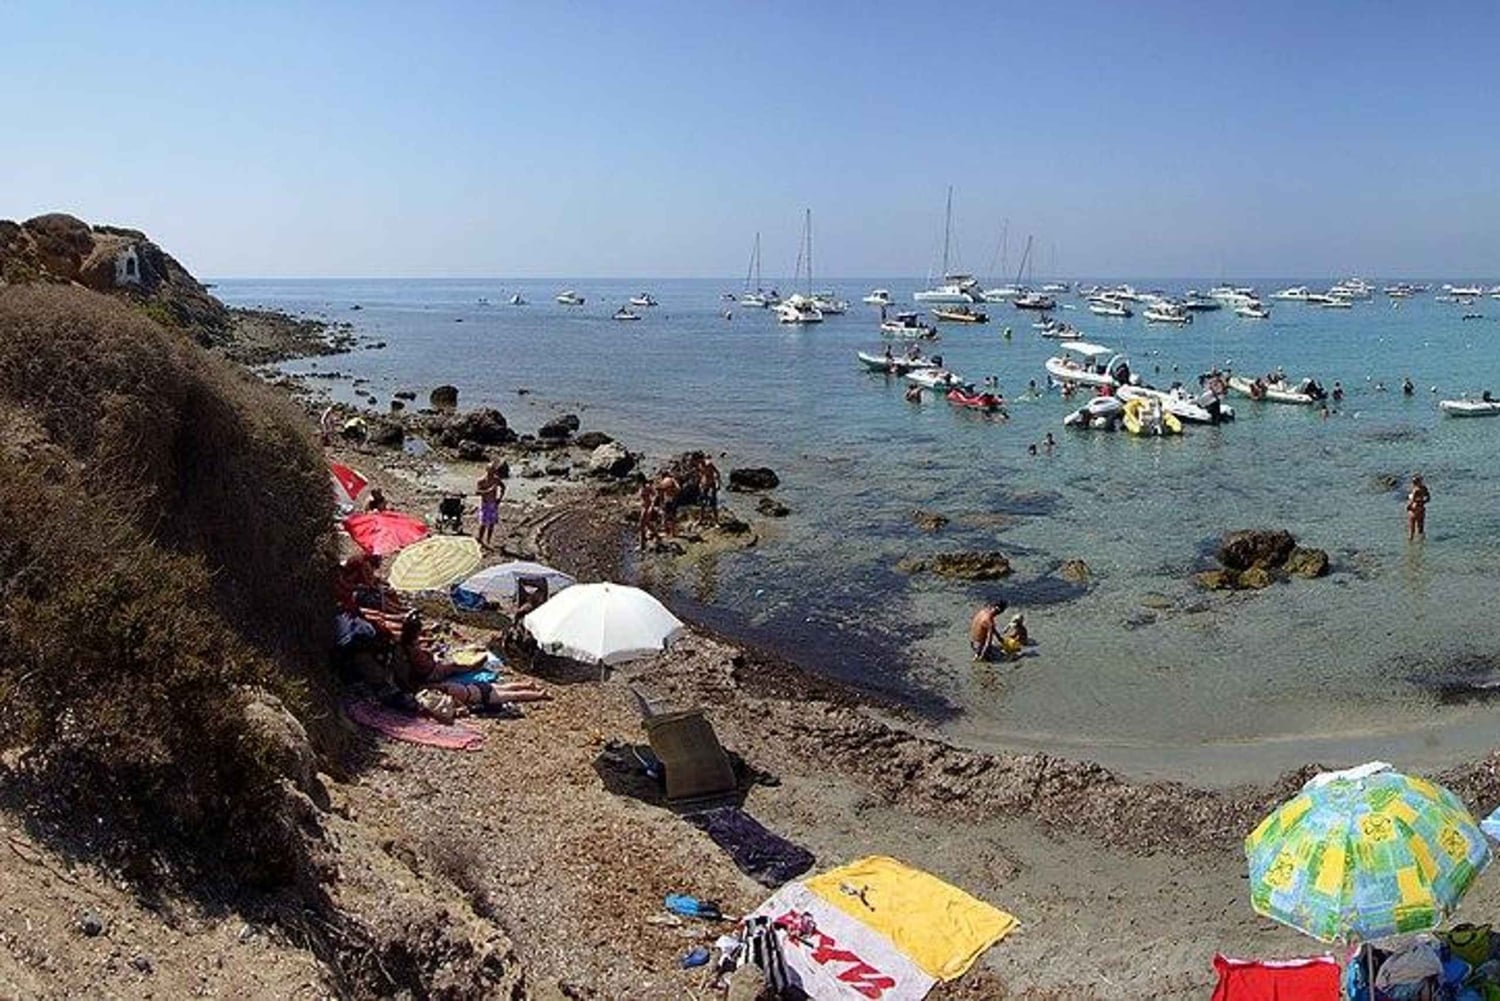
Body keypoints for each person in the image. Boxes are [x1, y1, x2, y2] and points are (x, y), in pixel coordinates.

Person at [475, 462, 506, 549]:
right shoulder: (481, 481)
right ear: (487, 470)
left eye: (494, 471)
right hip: (485, 503)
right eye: (491, 471)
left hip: (493, 504)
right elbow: (477, 492)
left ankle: (488, 540)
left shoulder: (496, 479)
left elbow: (503, 487)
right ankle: (480, 540)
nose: (492, 473)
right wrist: (488, 490)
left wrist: (500, 498)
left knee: (491, 524)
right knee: (483, 524)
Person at [697, 455, 721, 522]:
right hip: (704, 486)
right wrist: (700, 483)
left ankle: (716, 521)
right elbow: (701, 474)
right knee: (702, 503)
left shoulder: (709, 464)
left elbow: (717, 473)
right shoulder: (700, 465)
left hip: (711, 485)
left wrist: (718, 484)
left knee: (713, 504)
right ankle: (701, 519)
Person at [1406, 474, 1430, 541]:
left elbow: (1412, 500)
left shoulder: (1415, 490)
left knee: (1411, 530)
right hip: (1421, 509)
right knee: (1421, 528)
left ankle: (1411, 546)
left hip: (1414, 509)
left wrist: (1408, 507)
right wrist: (1422, 502)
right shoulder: (1424, 488)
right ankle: (1422, 544)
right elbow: (1428, 498)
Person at [638, 481, 657, 551]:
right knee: (642, 524)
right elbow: (641, 498)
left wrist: (652, 505)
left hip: (648, 506)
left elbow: (654, 494)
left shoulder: (648, 487)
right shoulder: (641, 487)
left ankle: (643, 544)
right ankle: (642, 544)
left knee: (645, 523)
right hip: (643, 506)